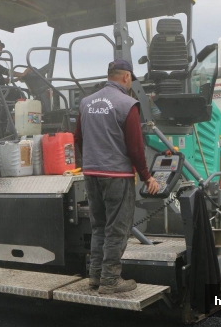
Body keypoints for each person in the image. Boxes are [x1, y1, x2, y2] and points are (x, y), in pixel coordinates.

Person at [74, 59, 160, 294]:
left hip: (91, 174)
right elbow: (135, 147)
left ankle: (95, 277)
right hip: (116, 176)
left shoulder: (86, 103)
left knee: (99, 226)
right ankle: (110, 280)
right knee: (116, 228)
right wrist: (147, 176)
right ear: (126, 77)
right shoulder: (127, 104)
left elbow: (78, 138)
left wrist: (93, 160)